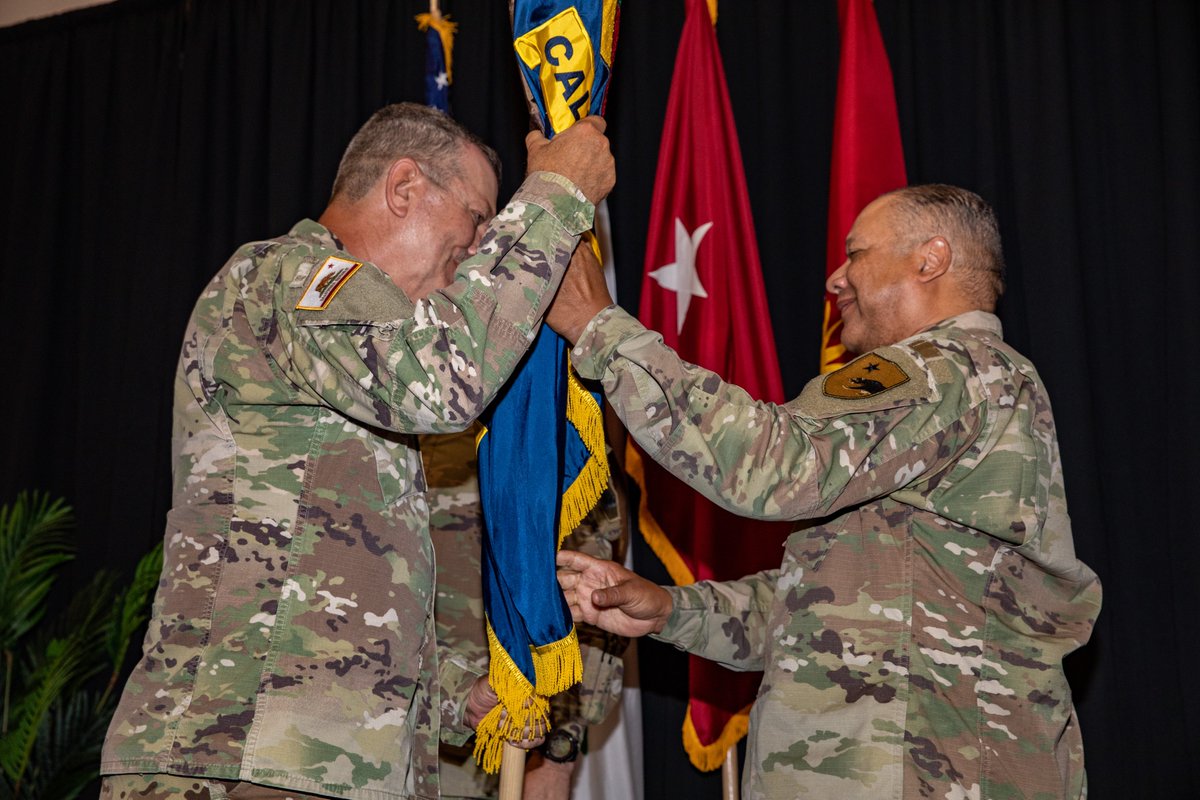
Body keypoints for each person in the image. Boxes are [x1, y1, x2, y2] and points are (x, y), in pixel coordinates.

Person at [99, 102, 614, 800]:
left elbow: (337, 593)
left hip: (316, 760)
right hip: (234, 755)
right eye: (476, 219)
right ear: (404, 188)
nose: (478, 245)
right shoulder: (289, 278)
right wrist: (553, 195)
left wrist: (457, 694)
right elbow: (445, 378)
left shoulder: (360, 358)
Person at [550, 185, 1102, 799]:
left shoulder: (946, 369)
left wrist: (602, 330)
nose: (836, 278)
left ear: (931, 259)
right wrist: (669, 610)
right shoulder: (966, 386)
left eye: (856, 253)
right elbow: (826, 613)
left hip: (929, 775)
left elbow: (769, 466)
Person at [421, 427, 628, 800]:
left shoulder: (544, 420)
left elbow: (582, 603)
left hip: (496, 758)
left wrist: (554, 756)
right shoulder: (397, 407)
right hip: (382, 735)